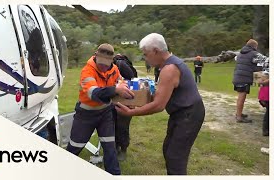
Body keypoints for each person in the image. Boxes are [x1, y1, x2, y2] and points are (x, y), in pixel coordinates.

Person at [115, 33, 205, 175]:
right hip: (181, 113)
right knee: (168, 149)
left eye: (146, 54)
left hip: (189, 114)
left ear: (156, 51)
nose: (145, 58)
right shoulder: (168, 65)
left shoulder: (169, 69)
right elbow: (159, 95)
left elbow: (158, 105)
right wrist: (138, 100)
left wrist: (130, 112)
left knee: (176, 157)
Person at [66, 43, 134, 175]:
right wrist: (115, 90)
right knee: (75, 147)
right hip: (85, 116)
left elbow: (121, 84)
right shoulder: (87, 71)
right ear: (95, 56)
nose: (103, 67)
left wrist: (126, 95)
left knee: (110, 148)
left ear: (112, 61)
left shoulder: (114, 69)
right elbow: (95, 94)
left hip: (105, 114)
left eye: (106, 64)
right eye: (101, 63)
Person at [233, 39, 268, 123]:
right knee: (242, 96)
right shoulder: (254, 54)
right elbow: (266, 61)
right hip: (244, 78)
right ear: (254, 46)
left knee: (240, 96)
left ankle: (239, 113)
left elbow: (242, 61)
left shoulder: (240, 53)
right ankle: (239, 117)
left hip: (238, 77)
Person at [113, 54, 138, 161]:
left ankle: (123, 149)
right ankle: (116, 147)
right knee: (113, 124)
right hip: (114, 97)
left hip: (125, 99)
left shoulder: (121, 65)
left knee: (122, 125)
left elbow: (133, 80)